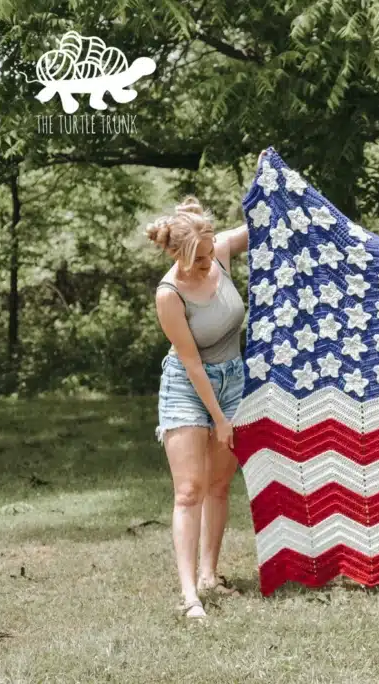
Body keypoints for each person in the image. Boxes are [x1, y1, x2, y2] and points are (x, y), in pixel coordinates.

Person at [143, 151, 265, 618]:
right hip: (188, 386)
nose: (207, 264)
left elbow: (263, 224)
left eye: (210, 253)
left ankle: (211, 574)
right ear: (176, 255)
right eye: (197, 260)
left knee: (219, 483)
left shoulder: (219, 251)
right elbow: (192, 364)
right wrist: (219, 419)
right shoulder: (169, 294)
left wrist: (269, 178)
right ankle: (190, 594)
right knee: (189, 489)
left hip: (233, 378)